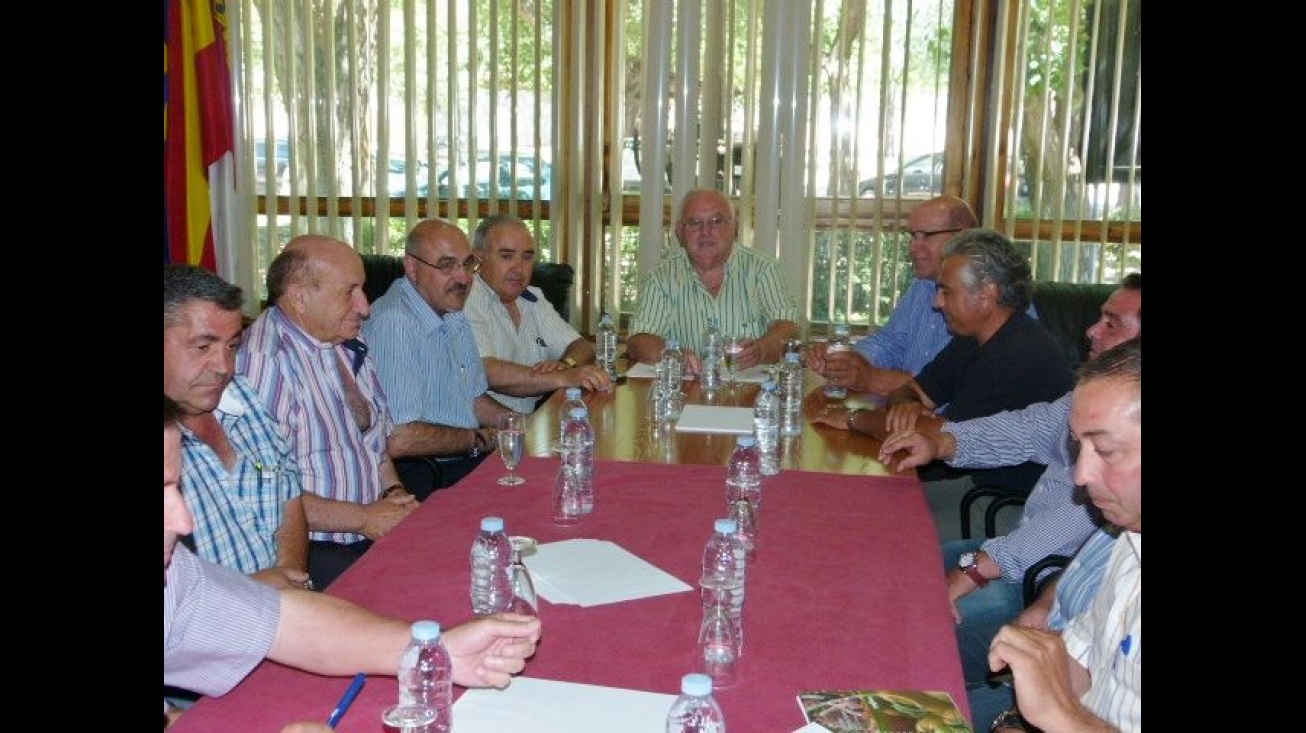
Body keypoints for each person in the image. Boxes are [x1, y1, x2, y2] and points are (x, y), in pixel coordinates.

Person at [164, 395, 543, 731]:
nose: (183, 521)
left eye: (175, 488)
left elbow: (282, 622)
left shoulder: (174, 573)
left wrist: (437, 649)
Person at [877, 274, 1141, 730]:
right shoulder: (1126, 539)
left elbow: (1071, 524)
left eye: (1112, 323)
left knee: (905, 635)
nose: (1091, 332)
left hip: (1028, 566)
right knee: (899, 580)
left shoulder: (1120, 508)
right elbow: (1025, 428)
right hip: (1047, 594)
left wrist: (977, 567)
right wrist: (940, 443)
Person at [819, 228, 1072, 497]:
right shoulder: (974, 336)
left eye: (946, 292)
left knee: (861, 504)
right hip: (964, 481)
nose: (937, 302)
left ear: (986, 294)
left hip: (993, 502)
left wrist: (854, 418)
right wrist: (909, 405)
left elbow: (938, 435)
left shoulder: (1020, 354)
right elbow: (911, 391)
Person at [238, 235, 418, 587]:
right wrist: (365, 518)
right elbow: (263, 492)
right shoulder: (264, 364)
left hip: (372, 527)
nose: (365, 306)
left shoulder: (348, 341)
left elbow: (374, 447)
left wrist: (394, 493)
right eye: (348, 292)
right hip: (315, 549)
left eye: (362, 289)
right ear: (300, 297)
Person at [987, 339, 1141, 732]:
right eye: (1078, 445)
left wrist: (1061, 717)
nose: (1080, 476)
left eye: (1104, 450)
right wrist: (1024, 709)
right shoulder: (1128, 541)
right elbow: (1087, 670)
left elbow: (1068, 712)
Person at [163, 264, 311, 591]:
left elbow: (289, 497)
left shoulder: (241, 394)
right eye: (203, 347)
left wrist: (288, 583)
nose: (223, 367)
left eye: (231, 346)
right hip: (211, 635)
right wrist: (257, 595)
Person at [361, 218, 520, 497]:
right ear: (412, 268)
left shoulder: (452, 312)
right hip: (424, 473)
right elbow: (400, 438)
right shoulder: (395, 323)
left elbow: (473, 398)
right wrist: (480, 440)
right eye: (446, 265)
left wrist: (522, 426)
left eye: (468, 263)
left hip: (464, 458)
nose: (464, 278)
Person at [807, 195, 979, 396]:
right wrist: (843, 361)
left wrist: (871, 378)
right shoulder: (922, 287)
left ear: (963, 236)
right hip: (904, 412)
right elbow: (889, 344)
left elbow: (956, 387)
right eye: (913, 236)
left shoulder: (988, 301)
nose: (913, 247)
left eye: (926, 235)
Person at [627, 187, 800, 374]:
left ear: (734, 227)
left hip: (751, 392)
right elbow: (639, 339)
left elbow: (789, 327)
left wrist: (762, 350)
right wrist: (674, 355)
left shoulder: (762, 270)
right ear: (679, 232)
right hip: (687, 390)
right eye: (694, 223)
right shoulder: (660, 278)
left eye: (717, 221)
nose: (706, 232)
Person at [463, 214, 614, 414]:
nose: (518, 268)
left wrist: (564, 365)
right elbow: (486, 372)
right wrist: (563, 377)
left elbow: (581, 346)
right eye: (506, 256)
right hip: (485, 428)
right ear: (478, 257)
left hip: (534, 418)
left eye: (526, 257)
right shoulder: (466, 299)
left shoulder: (532, 298)